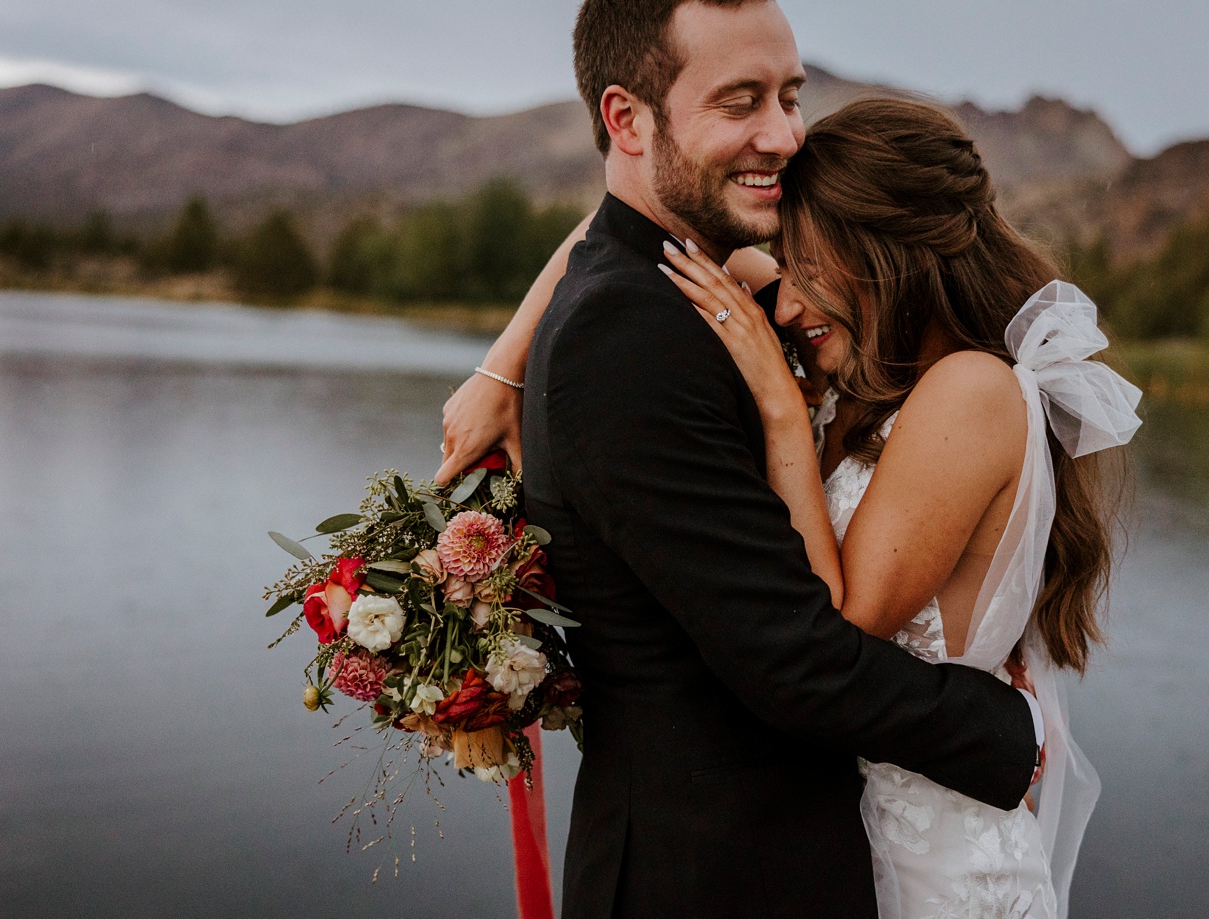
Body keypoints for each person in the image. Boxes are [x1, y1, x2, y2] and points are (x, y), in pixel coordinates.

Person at [432, 2, 1113, 916]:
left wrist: (504, 360)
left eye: (791, 96)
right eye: (742, 100)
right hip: (710, 873)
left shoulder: (707, 284)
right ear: (625, 119)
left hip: (838, 854)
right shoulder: (628, 329)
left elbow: (610, 223)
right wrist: (1006, 729)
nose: (783, 133)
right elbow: (798, 655)